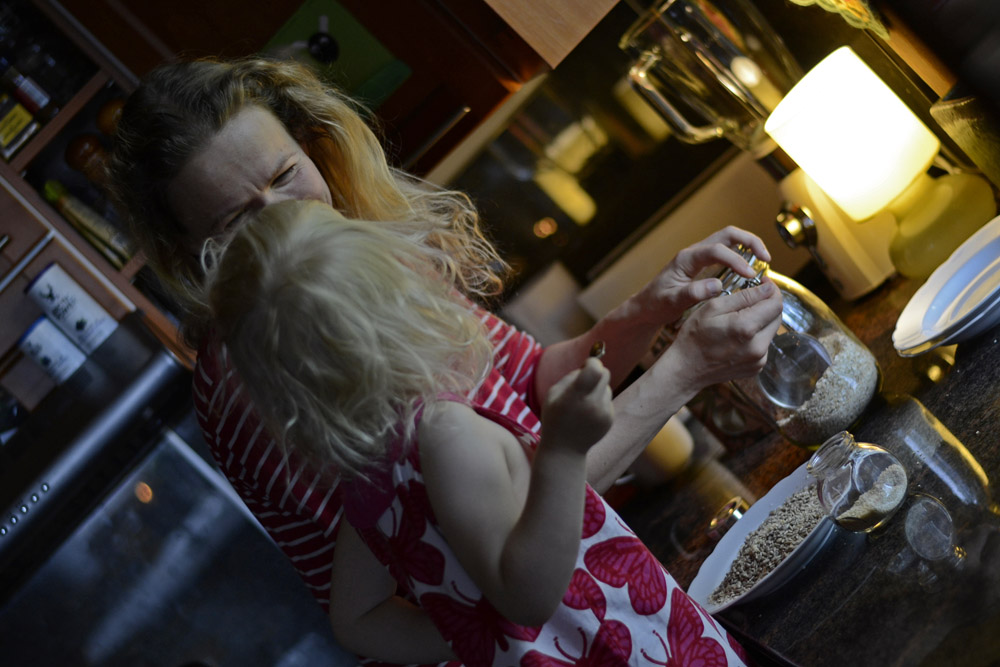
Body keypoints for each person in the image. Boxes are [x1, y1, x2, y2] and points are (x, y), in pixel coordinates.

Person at [107, 56, 782, 662]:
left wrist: (644, 312)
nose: (287, 219)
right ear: (195, 253)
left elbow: (528, 386)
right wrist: (681, 372)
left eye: (286, 175)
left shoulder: (351, 265)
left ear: (309, 143)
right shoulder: (266, 355)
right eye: (237, 221)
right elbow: (513, 531)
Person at [202, 198, 751, 665]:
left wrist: (474, 632)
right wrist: (561, 448)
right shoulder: (446, 432)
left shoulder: (369, 474)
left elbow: (358, 621)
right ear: (398, 302)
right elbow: (529, 593)